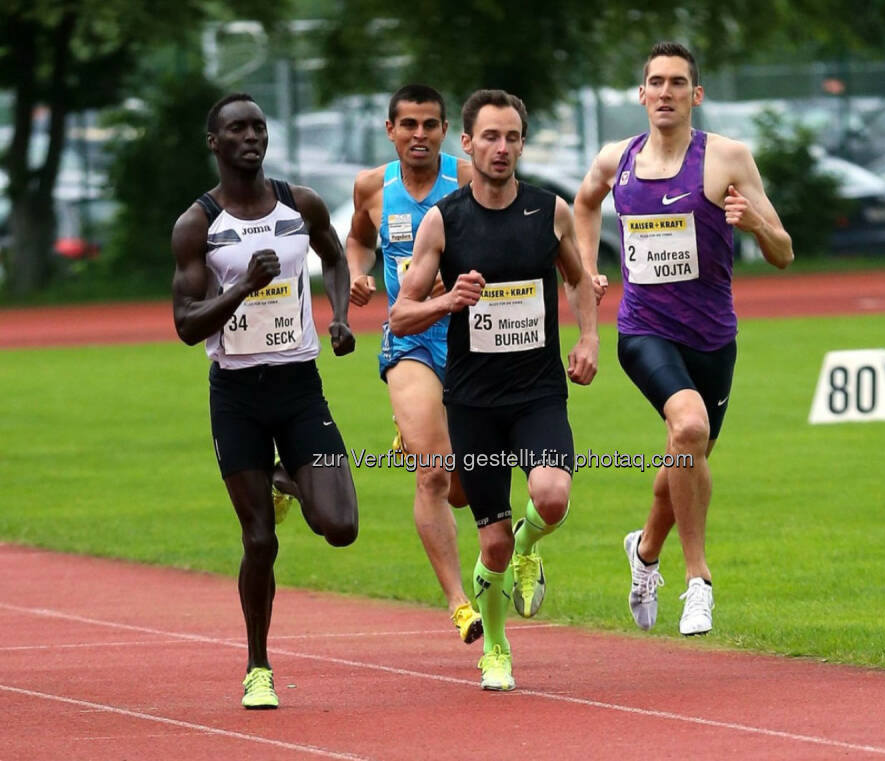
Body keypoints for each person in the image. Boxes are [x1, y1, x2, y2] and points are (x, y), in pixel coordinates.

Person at [574, 42, 793, 637]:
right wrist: (589, 266)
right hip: (644, 331)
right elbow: (583, 206)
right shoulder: (616, 160)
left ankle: (644, 551)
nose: (664, 92)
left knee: (685, 456)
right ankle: (698, 582)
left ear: (695, 95)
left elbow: (783, 251)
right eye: (655, 82)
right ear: (641, 94)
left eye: (677, 83)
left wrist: (755, 223)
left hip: (714, 339)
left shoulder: (726, 158)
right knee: (689, 428)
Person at [390, 89, 599, 691]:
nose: (501, 148)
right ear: (468, 144)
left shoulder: (549, 212)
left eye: (511, 137)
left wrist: (587, 339)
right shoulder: (444, 220)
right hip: (474, 404)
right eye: (489, 137)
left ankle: (535, 546)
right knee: (493, 542)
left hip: (538, 393)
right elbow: (400, 316)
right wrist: (447, 300)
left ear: (522, 144)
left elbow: (580, 280)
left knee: (553, 495)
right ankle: (497, 649)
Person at [171, 93, 359, 709]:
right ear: (214, 142)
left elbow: (334, 257)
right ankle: (258, 665)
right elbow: (186, 323)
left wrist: (338, 315)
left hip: (300, 387)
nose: (250, 136)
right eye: (236, 129)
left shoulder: (300, 204)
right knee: (259, 541)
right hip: (237, 396)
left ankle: (288, 477)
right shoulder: (197, 225)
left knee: (340, 528)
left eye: (258, 127)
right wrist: (244, 289)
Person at [345, 85, 483, 645]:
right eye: (408, 125)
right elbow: (357, 239)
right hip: (410, 340)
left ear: (445, 130)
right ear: (390, 130)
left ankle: (416, 435)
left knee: (463, 487)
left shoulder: (468, 179)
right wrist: (358, 273)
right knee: (432, 472)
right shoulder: (372, 187)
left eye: (430, 125)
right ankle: (458, 603)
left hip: (471, 340)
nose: (419, 135)